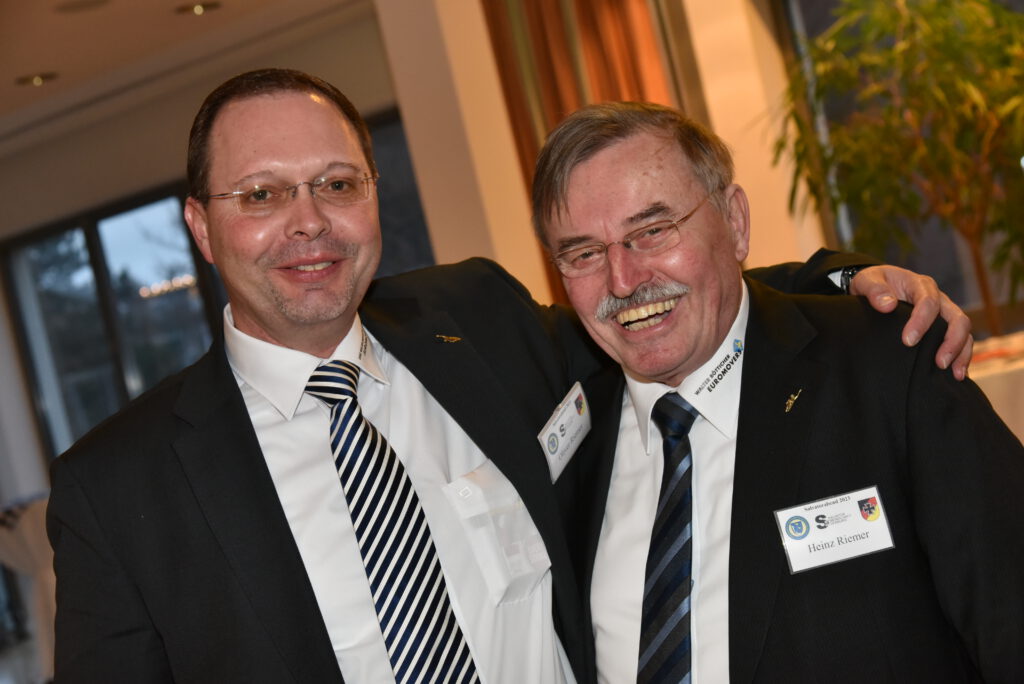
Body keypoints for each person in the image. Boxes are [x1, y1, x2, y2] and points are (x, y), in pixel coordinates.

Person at [46, 70, 971, 684]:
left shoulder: (475, 322)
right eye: (261, 194)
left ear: (374, 195)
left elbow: (648, 301)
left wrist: (847, 284)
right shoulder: (117, 490)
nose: (309, 222)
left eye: (338, 183)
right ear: (201, 228)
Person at [532, 101, 1024, 683]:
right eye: (585, 253)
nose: (622, 280)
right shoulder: (568, 444)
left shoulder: (888, 371)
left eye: (653, 231)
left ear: (735, 222)